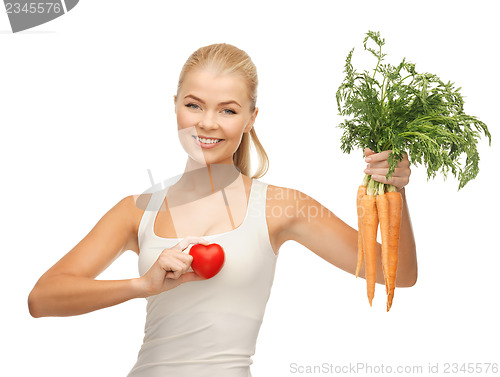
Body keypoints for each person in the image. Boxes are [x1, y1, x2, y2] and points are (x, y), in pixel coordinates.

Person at [27, 43, 417, 377]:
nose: (207, 123)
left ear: (251, 119)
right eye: (194, 105)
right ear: (175, 106)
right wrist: (141, 286)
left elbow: (400, 275)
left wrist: (395, 194)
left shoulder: (282, 206)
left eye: (228, 110)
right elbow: (42, 298)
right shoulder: (136, 211)